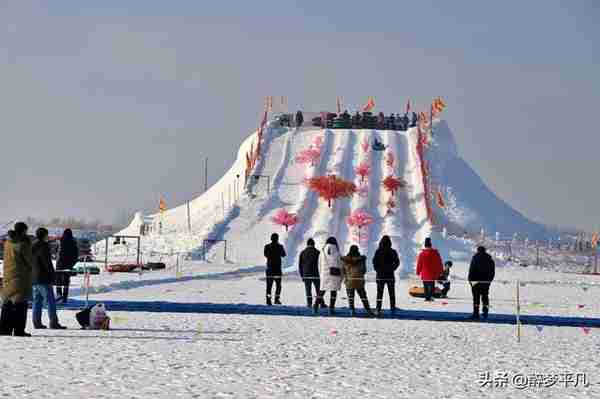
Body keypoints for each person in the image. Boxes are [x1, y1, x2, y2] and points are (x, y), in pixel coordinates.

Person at [0, 222, 33, 337]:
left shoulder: (7, 242)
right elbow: (29, 261)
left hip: (8, 275)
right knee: (20, 304)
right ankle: (19, 330)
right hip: (20, 277)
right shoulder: (22, 244)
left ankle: (4, 329)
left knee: (7, 303)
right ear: (24, 231)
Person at [31, 228, 66, 330]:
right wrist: (53, 275)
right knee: (50, 301)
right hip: (43, 277)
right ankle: (53, 322)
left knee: (37, 301)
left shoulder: (32, 246)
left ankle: (36, 323)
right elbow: (47, 262)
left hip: (34, 277)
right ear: (44, 235)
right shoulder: (44, 246)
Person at [341, 245, 374, 317]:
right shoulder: (362, 260)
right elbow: (364, 271)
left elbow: (343, 271)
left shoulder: (345, 260)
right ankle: (368, 310)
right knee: (363, 297)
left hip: (349, 281)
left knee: (351, 297)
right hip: (359, 281)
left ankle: (352, 310)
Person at [373, 236, 400, 316]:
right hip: (390, 275)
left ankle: (378, 308)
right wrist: (392, 269)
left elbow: (374, 262)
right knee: (391, 293)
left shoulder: (378, 251)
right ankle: (392, 308)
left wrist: (378, 270)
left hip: (380, 275)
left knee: (379, 293)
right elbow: (397, 262)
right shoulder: (393, 251)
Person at [316, 237, 344, 315]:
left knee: (322, 291)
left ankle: (315, 306)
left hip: (324, 274)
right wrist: (342, 276)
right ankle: (331, 308)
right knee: (333, 292)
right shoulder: (337, 252)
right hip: (335, 274)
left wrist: (321, 273)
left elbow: (319, 264)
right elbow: (341, 264)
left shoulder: (322, 251)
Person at [468, 246, 495, 320]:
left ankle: (476, 313)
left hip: (475, 282)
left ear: (478, 250)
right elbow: (492, 272)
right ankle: (485, 312)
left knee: (476, 298)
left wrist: (470, 281)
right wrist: (489, 281)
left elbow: (471, 270)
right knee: (485, 297)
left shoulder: (475, 258)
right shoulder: (490, 260)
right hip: (485, 282)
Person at [298, 238, 326, 309]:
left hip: (306, 274)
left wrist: (302, 276)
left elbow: (300, 265)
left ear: (307, 244)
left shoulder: (303, 252)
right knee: (318, 289)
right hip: (316, 274)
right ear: (314, 244)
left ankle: (309, 303)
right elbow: (321, 264)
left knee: (308, 290)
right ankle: (321, 303)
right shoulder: (318, 252)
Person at [415, 237, 443, 302]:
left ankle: (427, 297)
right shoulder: (435, 253)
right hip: (432, 274)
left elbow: (419, 264)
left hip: (424, 274)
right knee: (431, 285)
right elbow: (439, 263)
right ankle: (430, 296)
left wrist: (418, 272)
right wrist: (440, 271)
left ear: (425, 246)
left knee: (425, 286)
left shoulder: (421, 254)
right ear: (431, 245)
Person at [55, 228, 79, 304]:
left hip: (59, 265)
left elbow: (56, 252)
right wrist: (72, 264)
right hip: (68, 265)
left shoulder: (60, 242)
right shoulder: (73, 243)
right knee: (66, 282)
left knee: (58, 281)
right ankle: (64, 298)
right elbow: (76, 255)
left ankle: (59, 295)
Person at [263, 233, 286, 306]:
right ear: (277, 239)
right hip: (277, 270)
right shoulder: (280, 246)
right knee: (278, 285)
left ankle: (268, 300)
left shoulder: (267, 246)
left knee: (269, 286)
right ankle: (276, 299)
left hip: (269, 270)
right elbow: (284, 254)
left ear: (271, 238)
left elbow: (266, 255)